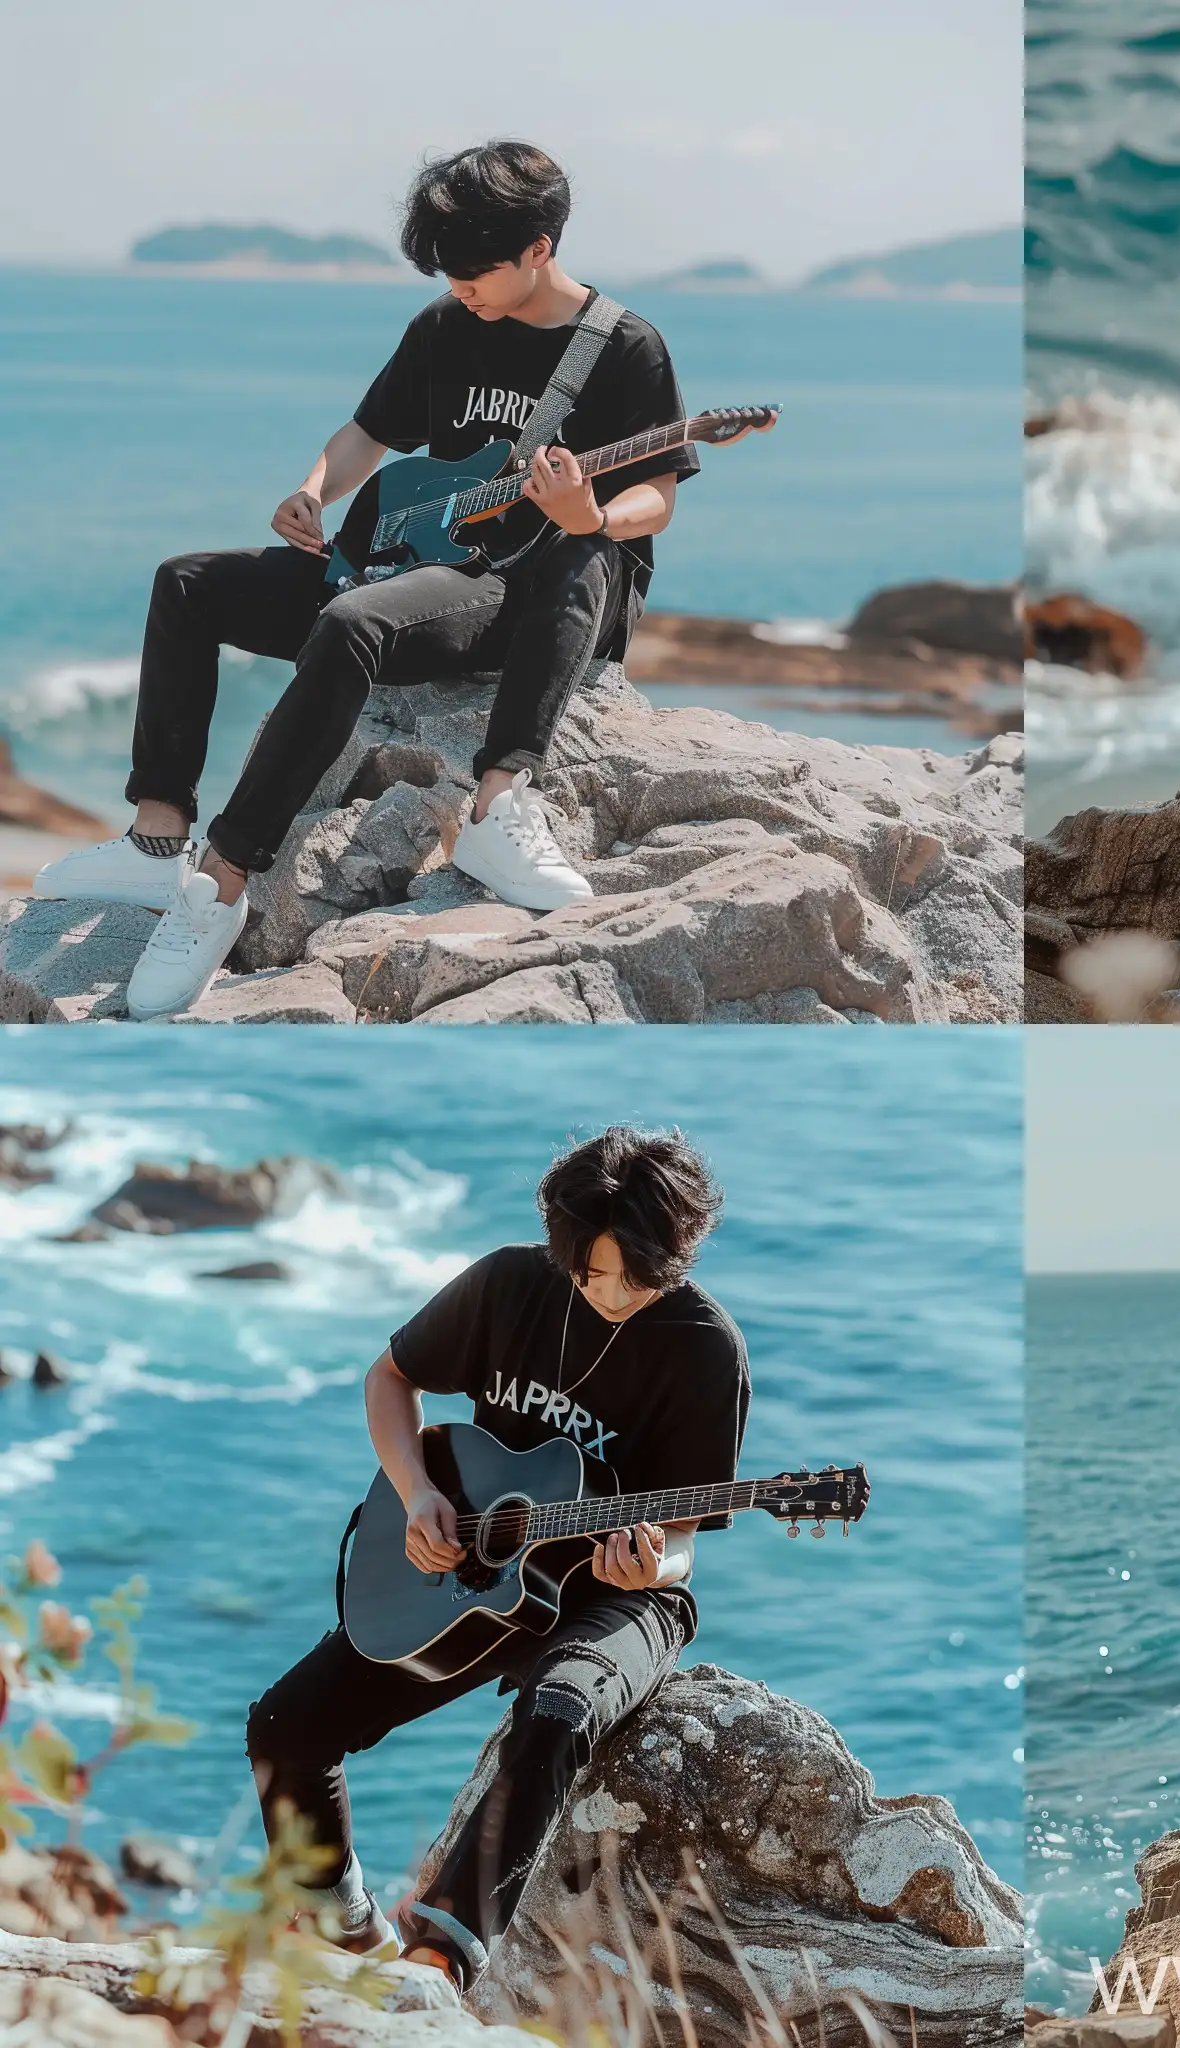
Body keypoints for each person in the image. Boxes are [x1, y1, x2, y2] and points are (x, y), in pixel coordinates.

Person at [33, 141, 692, 1018]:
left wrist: (596, 516)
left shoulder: (623, 348)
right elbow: (367, 433)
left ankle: (246, 880)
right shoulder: (446, 326)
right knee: (187, 581)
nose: (458, 285)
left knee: (382, 614)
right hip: (410, 555)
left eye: (473, 270)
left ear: (539, 248)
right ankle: (157, 846)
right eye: (445, 269)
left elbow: (657, 495)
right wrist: (311, 491)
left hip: (521, 587)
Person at [245, 1127, 749, 1990]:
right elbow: (389, 1378)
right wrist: (416, 1494)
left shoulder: (706, 1349)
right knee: (284, 1728)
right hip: (475, 1564)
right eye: (596, 1273)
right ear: (564, 1249)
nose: (615, 1295)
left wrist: (647, 1568)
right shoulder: (512, 1283)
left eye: (640, 1276)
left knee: (555, 1710)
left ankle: (438, 1962)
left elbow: (680, 1547)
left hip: (615, 1594)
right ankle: (342, 1932)